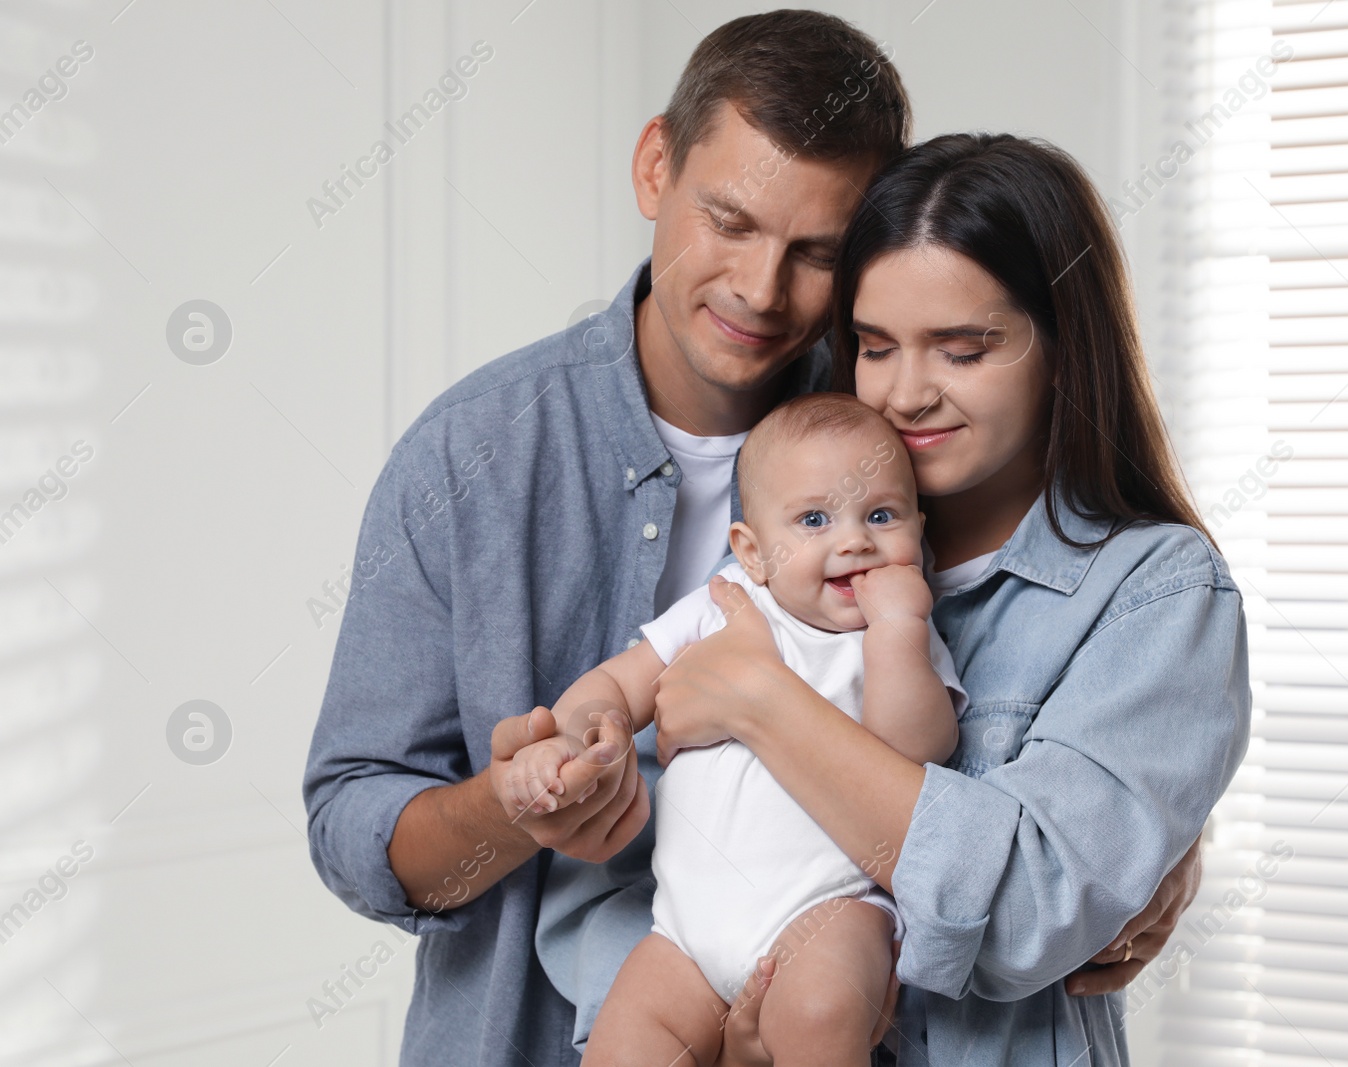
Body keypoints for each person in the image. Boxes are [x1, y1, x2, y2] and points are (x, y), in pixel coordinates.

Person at [302, 11, 1202, 1066]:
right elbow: (355, 826)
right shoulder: (472, 453)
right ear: (654, 168)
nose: (761, 290)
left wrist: (1148, 847)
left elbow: (1050, 682)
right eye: (728, 221)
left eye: (816, 252)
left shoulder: (901, 442)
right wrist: (515, 807)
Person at [641, 133, 1253, 1064]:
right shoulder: (792, 538)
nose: (907, 394)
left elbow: (1022, 911)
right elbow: (664, 856)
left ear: (1063, 347)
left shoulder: (1154, 591)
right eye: (876, 348)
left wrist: (761, 701)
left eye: (963, 350)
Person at [512, 394, 963, 1064]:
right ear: (751, 552)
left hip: (829, 912)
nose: (854, 539)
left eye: (881, 515)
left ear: (917, 534)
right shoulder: (724, 606)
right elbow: (618, 682)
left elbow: (917, 752)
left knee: (821, 1011)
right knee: (626, 1041)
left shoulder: (895, 638)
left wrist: (900, 631)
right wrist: (580, 736)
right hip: (685, 934)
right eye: (815, 518)